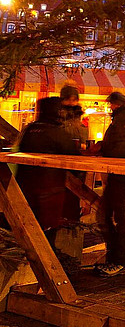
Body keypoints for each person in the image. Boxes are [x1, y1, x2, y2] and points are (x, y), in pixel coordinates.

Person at [17, 97, 79, 244]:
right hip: (50, 188)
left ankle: (28, 256)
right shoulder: (57, 132)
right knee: (48, 228)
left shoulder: (30, 130)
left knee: (29, 224)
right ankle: (46, 259)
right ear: (57, 111)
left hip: (26, 185)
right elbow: (73, 156)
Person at [96, 91, 125, 277]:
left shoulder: (124, 121)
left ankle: (120, 260)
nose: (109, 108)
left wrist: (103, 149)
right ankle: (116, 258)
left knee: (115, 217)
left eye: (110, 104)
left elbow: (122, 148)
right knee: (109, 215)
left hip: (120, 173)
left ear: (115, 104)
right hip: (120, 172)